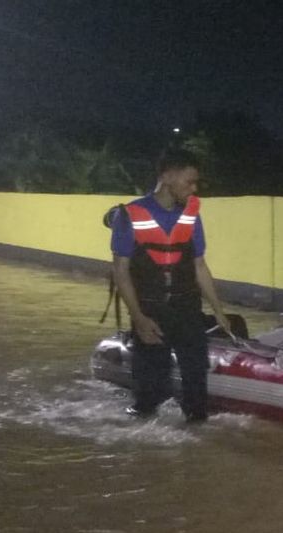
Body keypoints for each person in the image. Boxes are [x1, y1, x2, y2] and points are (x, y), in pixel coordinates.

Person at [109, 149, 231, 423]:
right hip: (151, 313)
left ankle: (196, 433)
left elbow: (200, 266)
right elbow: (121, 271)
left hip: (187, 309)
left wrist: (219, 312)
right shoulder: (129, 216)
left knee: (197, 390)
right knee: (147, 399)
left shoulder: (191, 216)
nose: (194, 188)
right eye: (189, 182)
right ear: (167, 177)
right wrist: (139, 319)